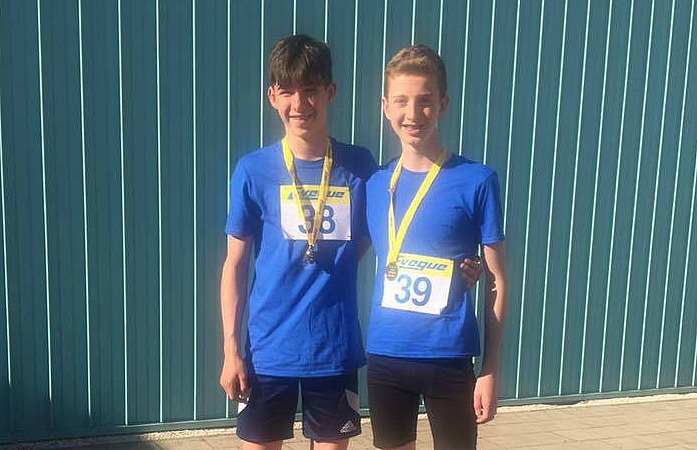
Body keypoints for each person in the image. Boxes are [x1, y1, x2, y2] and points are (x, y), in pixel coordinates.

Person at [219, 34, 483, 450]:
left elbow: (394, 229)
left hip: (334, 351)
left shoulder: (361, 168)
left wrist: (459, 266)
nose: (300, 103)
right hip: (268, 351)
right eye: (287, 90)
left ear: (330, 92)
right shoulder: (253, 171)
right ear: (273, 96)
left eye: (311, 90)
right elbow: (235, 263)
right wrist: (231, 350)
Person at [365, 45, 508, 450]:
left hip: (449, 356)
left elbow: (498, 281)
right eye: (402, 101)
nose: (413, 113)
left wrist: (490, 369)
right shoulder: (375, 185)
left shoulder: (477, 181)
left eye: (425, 101)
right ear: (385, 106)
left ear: (443, 104)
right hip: (386, 354)